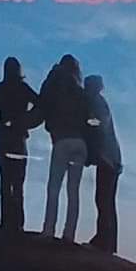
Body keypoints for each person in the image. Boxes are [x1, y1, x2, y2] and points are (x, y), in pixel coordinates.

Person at [36, 50, 89, 240]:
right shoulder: (80, 92)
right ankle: (69, 234)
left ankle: (48, 229)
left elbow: (42, 103)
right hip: (80, 143)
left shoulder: (56, 84)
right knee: (73, 191)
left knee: (54, 188)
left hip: (62, 140)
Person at [0, 56, 40, 232]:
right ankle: (17, 223)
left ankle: (6, 222)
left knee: (5, 180)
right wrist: (26, 121)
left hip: (4, 138)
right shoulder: (23, 88)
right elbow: (40, 104)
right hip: (19, 138)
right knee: (18, 182)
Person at [83, 76, 123, 254]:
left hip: (108, 159)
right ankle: (107, 240)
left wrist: (87, 124)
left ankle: (104, 240)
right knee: (105, 199)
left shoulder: (98, 103)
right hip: (110, 158)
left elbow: (99, 126)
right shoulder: (99, 102)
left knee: (104, 199)